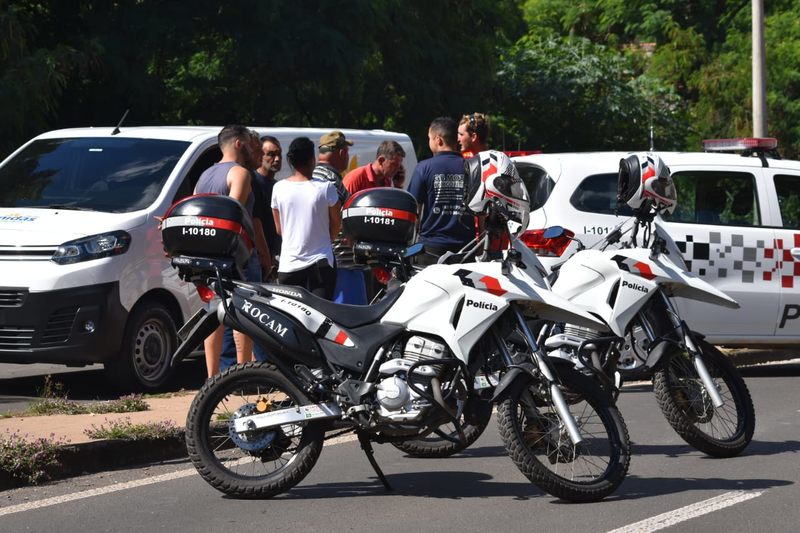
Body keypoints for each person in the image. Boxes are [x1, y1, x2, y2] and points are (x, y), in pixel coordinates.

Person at [193, 125, 271, 377]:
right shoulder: (240, 173)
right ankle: (241, 374)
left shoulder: (204, 175)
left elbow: (197, 213)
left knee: (213, 315)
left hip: (208, 255)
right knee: (243, 316)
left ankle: (212, 377)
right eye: (250, 142)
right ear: (239, 143)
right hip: (238, 255)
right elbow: (232, 214)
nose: (253, 148)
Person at [272, 137, 341, 299]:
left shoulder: (278, 188)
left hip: (289, 264)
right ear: (312, 159)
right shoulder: (326, 188)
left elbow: (279, 229)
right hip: (321, 264)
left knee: (291, 318)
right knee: (321, 316)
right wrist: (324, 240)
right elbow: (337, 224)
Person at [408, 117, 476, 266]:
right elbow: (481, 212)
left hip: (431, 250)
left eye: (429, 138)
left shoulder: (423, 167)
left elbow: (414, 210)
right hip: (466, 249)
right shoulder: (473, 168)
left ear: (438, 140)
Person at [253, 135, 283, 268]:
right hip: (258, 259)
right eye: (270, 154)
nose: (277, 159)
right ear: (260, 155)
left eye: (279, 154)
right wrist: (264, 257)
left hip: (275, 258)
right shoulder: (252, 182)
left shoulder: (278, 186)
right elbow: (255, 222)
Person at [312, 130, 351, 204]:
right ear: (342, 153)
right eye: (347, 151)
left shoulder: (312, 175)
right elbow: (342, 213)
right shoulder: (332, 181)